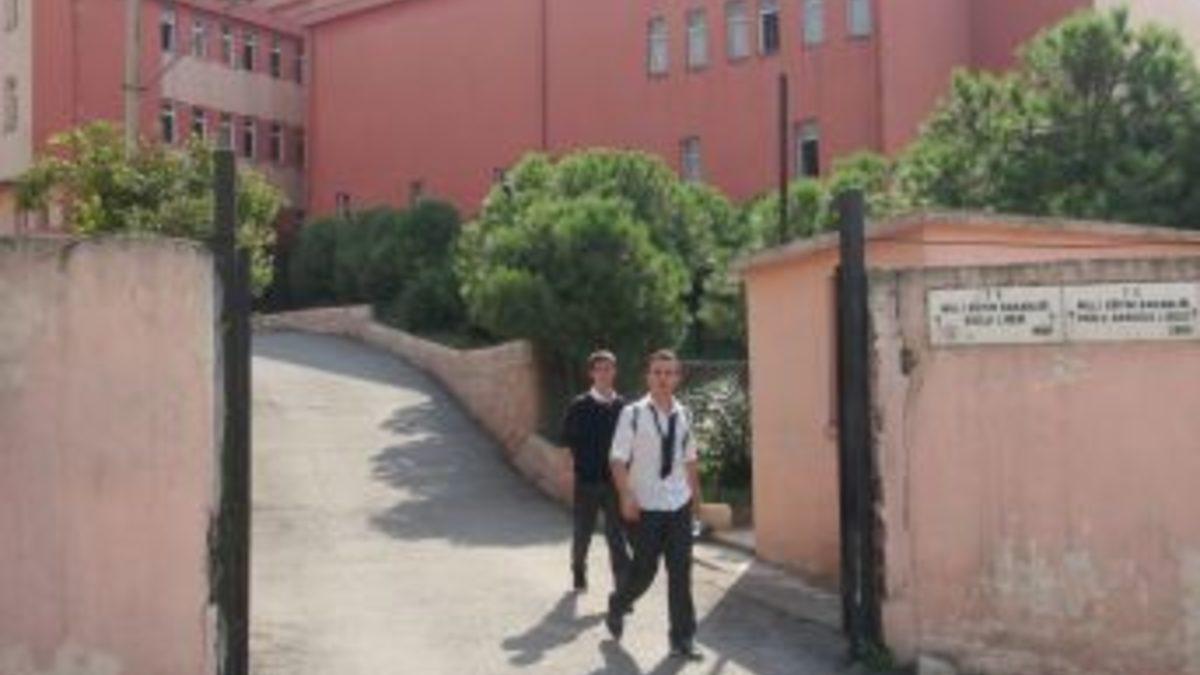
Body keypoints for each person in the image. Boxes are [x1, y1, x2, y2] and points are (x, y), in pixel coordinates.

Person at [606, 349, 703, 661]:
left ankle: (683, 638)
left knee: (680, 571)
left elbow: (690, 461)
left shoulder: (685, 414)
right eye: (657, 372)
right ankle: (619, 602)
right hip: (645, 505)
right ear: (648, 376)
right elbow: (617, 459)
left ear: (677, 377)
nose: (663, 378)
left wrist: (697, 504)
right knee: (645, 569)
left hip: (678, 503)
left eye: (669, 373)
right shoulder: (632, 414)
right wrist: (626, 495)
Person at [560, 350, 631, 592]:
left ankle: (622, 589)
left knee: (616, 536)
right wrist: (568, 474)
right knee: (583, 534)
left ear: (615, 372)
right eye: (599, 369)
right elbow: (567, 443)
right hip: (586, 482)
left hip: (614, 482)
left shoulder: (624, 407)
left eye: (608, 368)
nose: (604, 373)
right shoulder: (579, 406)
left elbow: (631, 445)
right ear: (591, 373)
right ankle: (578, 568)